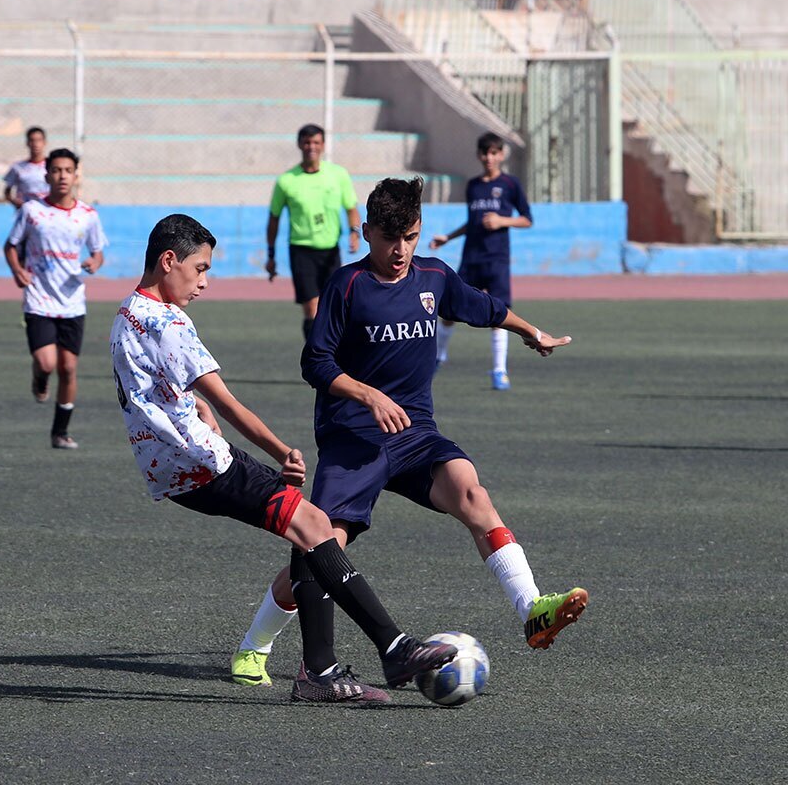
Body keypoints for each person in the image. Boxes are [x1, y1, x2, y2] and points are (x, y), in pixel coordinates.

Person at [230, 177, 586, 690]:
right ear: (366, 232)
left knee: (471, 491)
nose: (400, 251)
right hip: (352, 436)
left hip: (415, 433)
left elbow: (483, 307)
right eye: (389, 238)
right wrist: (369, 396)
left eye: (411, 237)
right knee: (321, 548)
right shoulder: (346, 285)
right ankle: (256, 646)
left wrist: (531, 332)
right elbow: (315, 361)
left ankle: (531, 607)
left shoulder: (434, 277)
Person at [111, 213, 457, 705]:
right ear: (169, 261)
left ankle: (321, 669)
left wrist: (194, 406)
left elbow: (148, 387)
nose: (204, 282)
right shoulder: (169, 323)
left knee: (307, 529)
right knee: (315, 525)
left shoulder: (127, 312)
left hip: (169, 468)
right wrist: (281, 451)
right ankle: (391, 649)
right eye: (200, 269)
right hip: (206, 465)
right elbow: (230, 404)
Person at [4, 148, 105, 450]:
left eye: (68, 171)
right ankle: (39, 378)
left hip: (72, 301)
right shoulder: (32, 211)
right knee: (47, 363)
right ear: (46, 175)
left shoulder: (87, 215)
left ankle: (60, 432)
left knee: (69, 368)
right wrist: (17, 270)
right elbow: (10, 245)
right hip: (39, 298)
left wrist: (94, 263)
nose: (62, 176)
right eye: (56, 170)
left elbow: (98, 252)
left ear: (76, 176)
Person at [429, 132, 533, 390]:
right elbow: (473, 222)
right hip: (471, 258)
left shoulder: (510, 185)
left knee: (499, 313)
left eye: (494, 152)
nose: (489, 157)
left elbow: (527, 218)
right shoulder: (473, 185)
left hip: (496, 259)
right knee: (450, 308)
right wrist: (449, 237)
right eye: (485, 153)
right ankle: (439, 356)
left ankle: (499, 370)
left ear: (502, 155)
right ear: (479, 155)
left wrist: (502, 221)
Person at [266, 124, 361, 340]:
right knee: (312, 309)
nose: (312, 147)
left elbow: (351, 208)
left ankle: (333, 356)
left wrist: (354, 232)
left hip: (330, 251)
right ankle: (316, 359)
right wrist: (271, 255)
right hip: (301, 251)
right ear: (300, 144)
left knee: (334, 308)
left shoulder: (338, 175)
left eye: (316, 142)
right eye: (307, 142)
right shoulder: (287, 181)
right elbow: (274, 218)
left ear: (323, 145)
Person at [2, 126, 50, 208]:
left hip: (47, 210)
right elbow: (7, 191)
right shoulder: (17, 167)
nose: (36, 144)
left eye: (39, 140)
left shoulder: (52, 166)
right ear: (27, 143)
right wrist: (14, 202)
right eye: (32, 140)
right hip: (26, 212)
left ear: (44, 142)